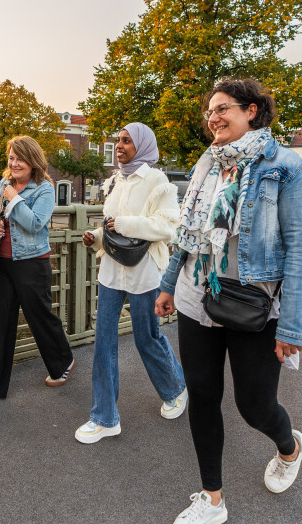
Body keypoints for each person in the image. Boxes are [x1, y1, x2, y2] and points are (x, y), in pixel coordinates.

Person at [155, 78, 302, 524]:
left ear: (252, 111)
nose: (213, 118)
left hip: (256, 306)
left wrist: (292, 328)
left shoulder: (285, 167)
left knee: (255, 406)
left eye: (222, 108)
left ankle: (290, 445)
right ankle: (212, 499)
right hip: (197, 296)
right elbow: (188, 235)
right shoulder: (208, 164)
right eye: (209, 112)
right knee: (203, 397)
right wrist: (169, 284)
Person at [75, 123, 187, 444]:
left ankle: (176, 389)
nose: (119, 145)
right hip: (111, 271)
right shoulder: (112, 183)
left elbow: (168, 228)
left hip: (146, 272)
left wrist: (125, 224)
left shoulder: (157, 181)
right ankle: (105, 417)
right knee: (104, 342)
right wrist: (95, 237)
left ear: (142, 145)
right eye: (118, 141)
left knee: (146, 337)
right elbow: (111, 229)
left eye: (127, 141)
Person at [0, 136, 75, 409]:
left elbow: (35, 224)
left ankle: (63, 361)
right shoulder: (3, 184)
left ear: (33, 161)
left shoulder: (44, 189)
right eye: (11, 157)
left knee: (40, 318)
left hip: (33, 263)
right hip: (2, 264)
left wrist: (15, 199)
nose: (14, 163)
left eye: (20, 158)